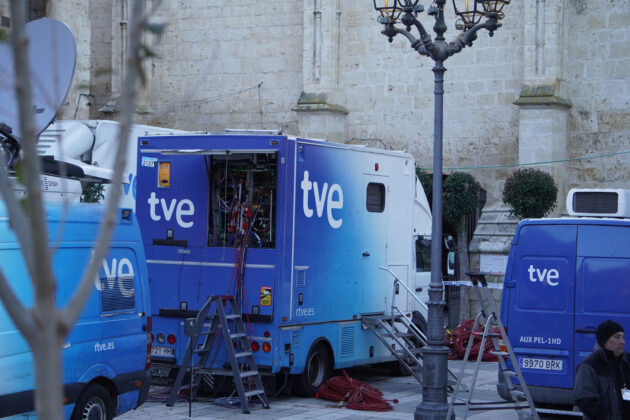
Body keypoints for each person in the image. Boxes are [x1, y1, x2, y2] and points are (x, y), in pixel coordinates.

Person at [575, 320, 630, 419]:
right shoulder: (589, 365)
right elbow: (585, 400)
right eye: (617, 337)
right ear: (605, 340)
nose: (623, 342)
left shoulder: (627, 362)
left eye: (623, 337)